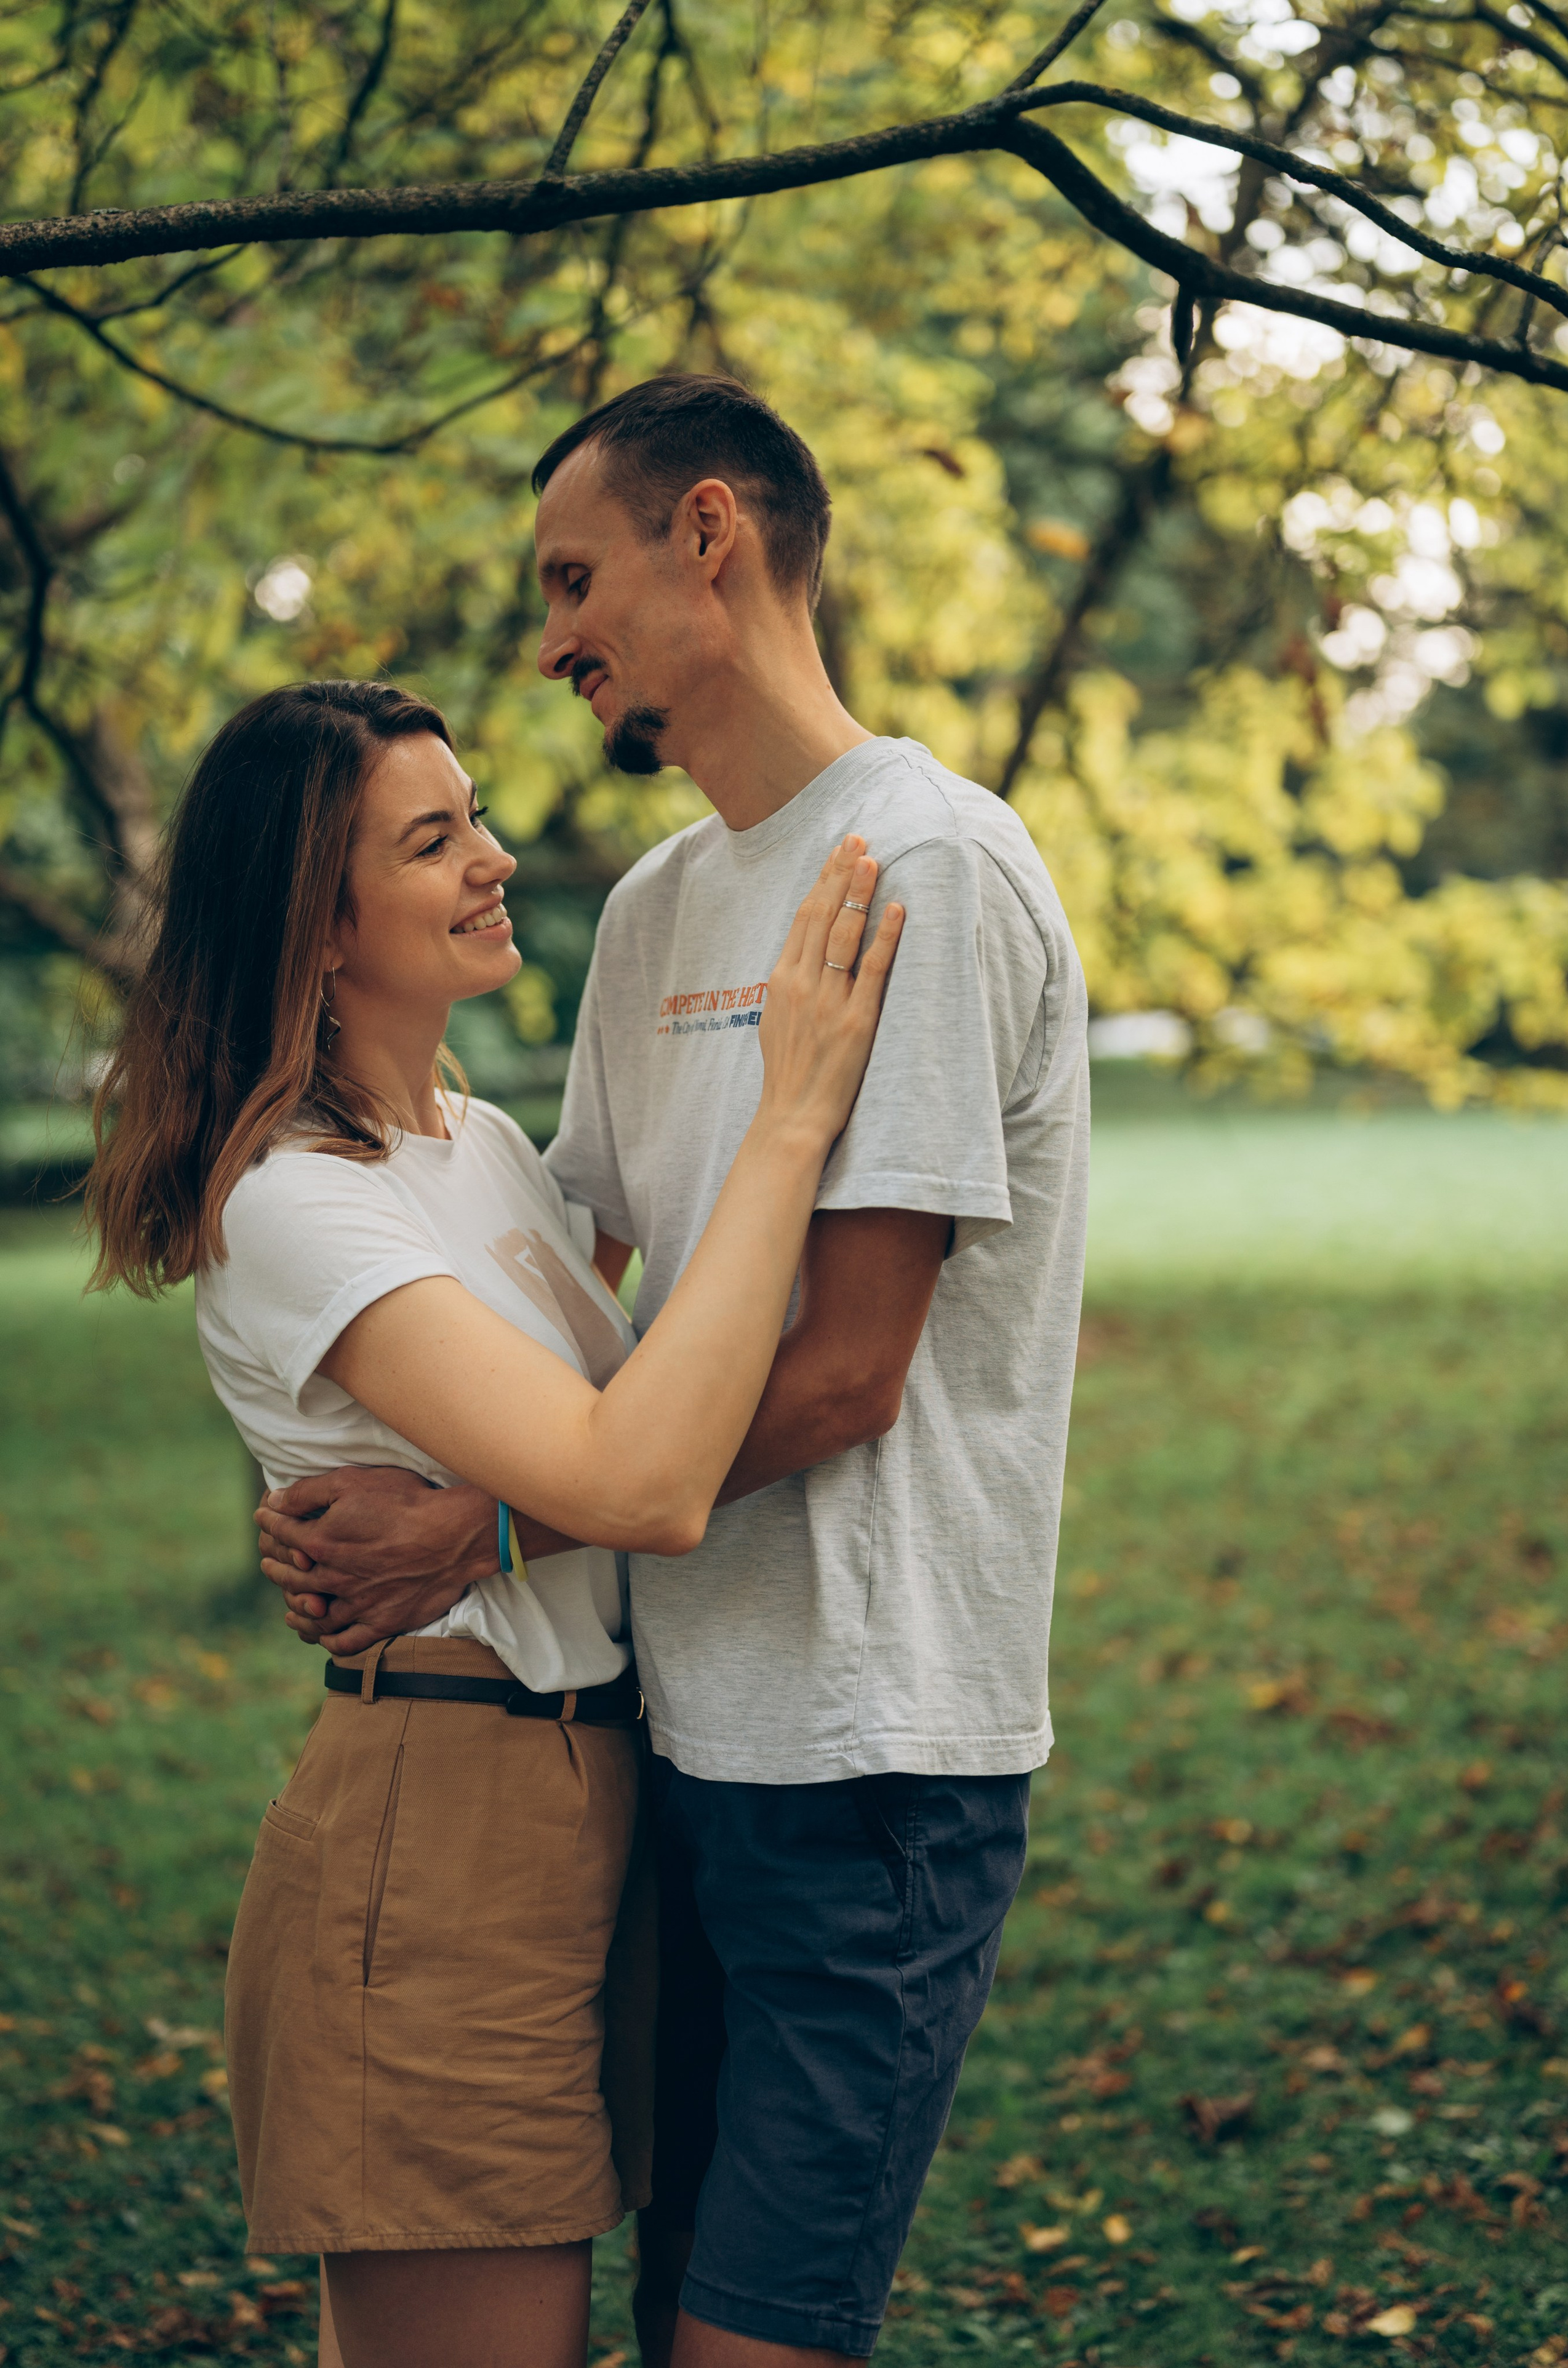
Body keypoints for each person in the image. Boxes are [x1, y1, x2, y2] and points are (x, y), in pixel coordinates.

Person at [262, 374, 1090, 2366]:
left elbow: (846, 1373)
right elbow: (576, 1277)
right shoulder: (648, 914)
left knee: (755, 2340)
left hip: (872, 1751)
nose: (555, 643)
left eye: (575, 579)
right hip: (661, 1743)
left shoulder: (929, 868)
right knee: (666, 2320)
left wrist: (477, 1527)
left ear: (707, 535)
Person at [83, 674, 905, 2368]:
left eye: (477, 819)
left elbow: (581, 1465)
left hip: (588, 1805)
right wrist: (797, 1112)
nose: (499, 858)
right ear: (320, 921)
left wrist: (482, 1525)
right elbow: (641, 1481)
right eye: (436, 838)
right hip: (441, 1835)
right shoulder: (297, 1203)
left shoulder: (475, 1147)